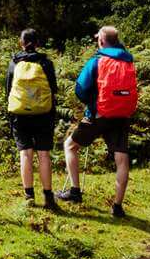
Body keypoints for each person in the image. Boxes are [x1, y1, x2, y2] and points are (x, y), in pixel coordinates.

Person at [56, 26, 138, 217]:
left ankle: (75, 191)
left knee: (70, 146)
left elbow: (80, 89)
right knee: (121, 158)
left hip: (99, 114)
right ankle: (117, 207)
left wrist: (92, 102)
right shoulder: (128, 60)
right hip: (122, 115)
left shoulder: (97, 61)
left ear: (101, 41)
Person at [5, 28, 60, 209]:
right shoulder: (46, 63)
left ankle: (29, 197)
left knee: (25, 154)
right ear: (38, 43)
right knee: (44, 154)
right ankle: (48, 198)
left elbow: (8, 91)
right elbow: (53, 89)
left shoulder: (13, 63)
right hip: (43, 114)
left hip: (20, 115)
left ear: (21, 43)